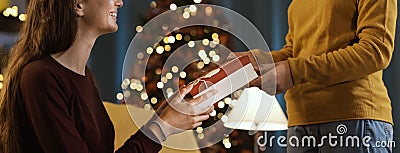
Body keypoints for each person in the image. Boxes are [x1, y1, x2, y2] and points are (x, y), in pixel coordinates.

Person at [0, 0, 214, 153]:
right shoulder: (40, 77)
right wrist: (161, 127)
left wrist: (165, 117)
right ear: (78, 5)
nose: (119, 2)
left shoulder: (85, 78)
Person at [234, 0, 397, 152]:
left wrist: (295, 71)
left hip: (353, 118)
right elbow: (295, 52)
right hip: (301, 120)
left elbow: (375, 51)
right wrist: (256, 61)